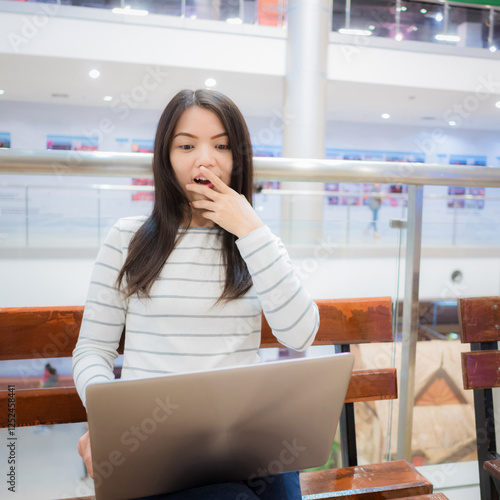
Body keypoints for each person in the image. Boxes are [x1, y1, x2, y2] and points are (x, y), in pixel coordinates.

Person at [72, 89, 320, 499]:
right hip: (155, 445)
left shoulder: (256, 241)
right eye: (186, 145)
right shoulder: (127, 238)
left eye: (221, 145)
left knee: (278, 484)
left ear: (238, 159)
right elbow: (92, 351)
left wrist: (252, 231)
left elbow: (300, 336)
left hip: (245, 442)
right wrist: (108, 421)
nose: (205, 159)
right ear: (165, 158)